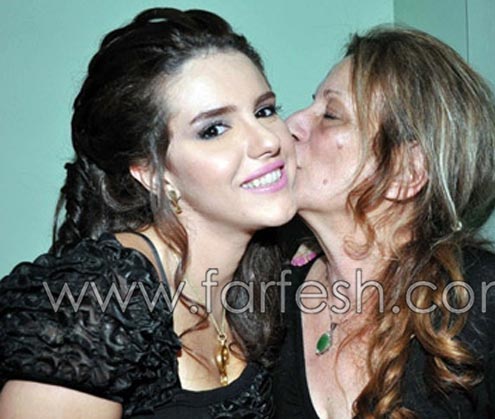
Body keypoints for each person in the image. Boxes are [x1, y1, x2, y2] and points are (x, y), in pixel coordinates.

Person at [0, 8, 296, 418]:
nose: (268, 141)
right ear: (152, 173)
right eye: (213, 129)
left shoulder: (263, 279)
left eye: (264, 111)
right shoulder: (99, 299)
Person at [273, 27, 495, 418]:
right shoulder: (274, 294)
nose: (291, 123)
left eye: (331, 115)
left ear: (407, 171)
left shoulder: (490, 302)